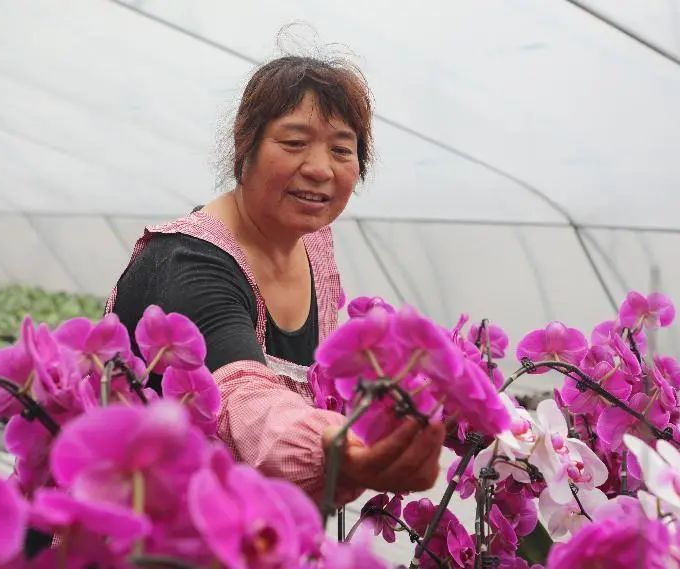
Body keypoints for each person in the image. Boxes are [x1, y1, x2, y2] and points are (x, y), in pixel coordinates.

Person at [107, 55, 445, 504]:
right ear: (245, 143)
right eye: (294, 142)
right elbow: (240, 399)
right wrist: (328, 446)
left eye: (342, 150)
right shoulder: (186, 262)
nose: (321, 168)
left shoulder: (312, 243)